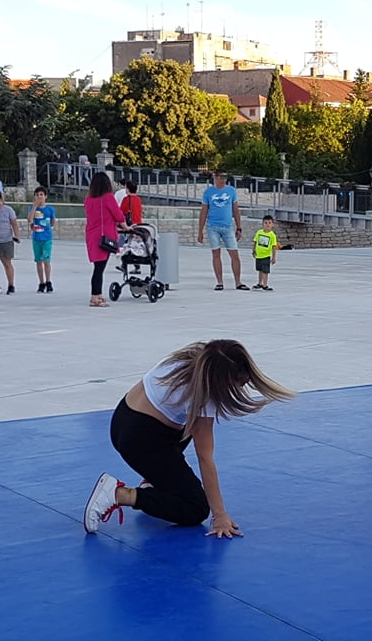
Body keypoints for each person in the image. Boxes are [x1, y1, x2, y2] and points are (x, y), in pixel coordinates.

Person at [83, 339, 295, 538]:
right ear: (222, 380)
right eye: (239, 381)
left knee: (184, 426)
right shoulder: (202, 395)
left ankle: (155, 483)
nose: (243, 384)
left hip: (125, 420)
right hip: (140, 439)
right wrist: (219, 515)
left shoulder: (193, 360)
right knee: (196, 509)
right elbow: (205, 458)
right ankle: (119, 494)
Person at [85, 171, 130, 307]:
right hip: (104, 236)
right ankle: (95, 297)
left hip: (92, 235)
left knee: (98, 267)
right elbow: (118, 215)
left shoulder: (88, 198)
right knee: (99, 269)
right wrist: (126, 227)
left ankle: (97, 294)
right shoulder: (108, 197)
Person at [198, 171, 249, 290]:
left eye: (225, 177)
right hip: (212, 227)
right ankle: (219, 282)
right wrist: (200, 231)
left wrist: (239, 227)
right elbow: (204, 212)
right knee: (216, 254)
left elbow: (235, 210)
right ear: (215, 177)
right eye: (221, 177)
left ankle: (238, 281)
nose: (223, 179)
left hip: (227, 227)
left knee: (234, 254)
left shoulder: (231, 191)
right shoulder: (208, 192)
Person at [27, 186, 56, 293]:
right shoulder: (32, 208)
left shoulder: (50, 209)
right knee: (38, 261)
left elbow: (53, 222)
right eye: (37, 195)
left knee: (46, 260)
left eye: (41, 195)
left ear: (45, 197)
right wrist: (34, 207)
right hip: (36, 238)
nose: (39, 197)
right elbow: (29, 219)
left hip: (47, 238)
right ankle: (41, 282)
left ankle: (48, 281)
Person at [252, 214, 280, 290]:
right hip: (258, 255)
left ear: (272, 224)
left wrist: (274, 257)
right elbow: (255, 241)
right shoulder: (259, 232)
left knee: (265, 271)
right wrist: (253, 250)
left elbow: (274, 247)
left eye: (269, 223)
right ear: (262, 224)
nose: (267, 225)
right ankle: (259, 283)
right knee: (260, 270)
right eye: (265, 223)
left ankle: (265, 284)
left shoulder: (272, 235)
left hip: (266, 255)